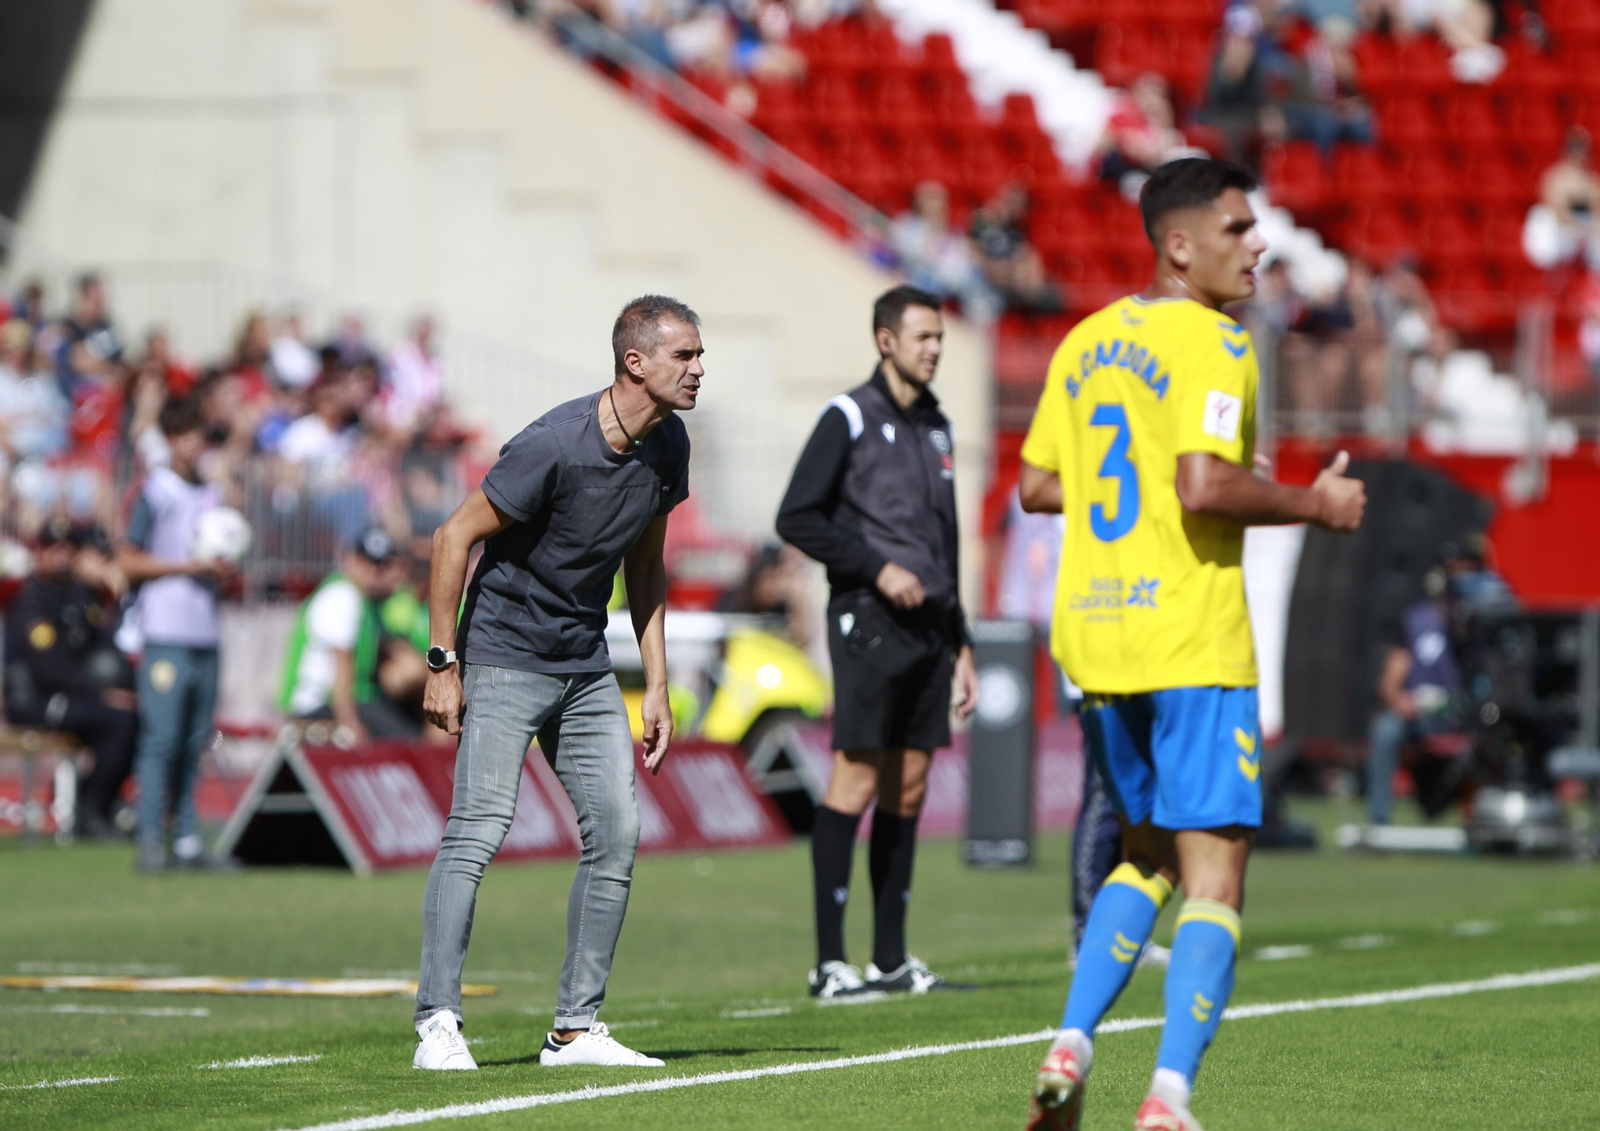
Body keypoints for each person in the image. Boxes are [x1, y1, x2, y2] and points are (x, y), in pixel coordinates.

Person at [1016, 157, 1366, 1130]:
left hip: (1098, 636)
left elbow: (1037, 487)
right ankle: (1168, 1096)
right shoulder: (1215, 341)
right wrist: (1315, 503)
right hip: (1188, 636)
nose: (1258, 244)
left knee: (1145, 854)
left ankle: (1071, 1041)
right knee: (1215, 874)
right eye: (1237, 228)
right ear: (1179, 245)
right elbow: (1204, 486)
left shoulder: (1086, 342)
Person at [411, 295, 698, 1072]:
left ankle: (574, 1029)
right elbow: (452, 536)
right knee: (477, 829)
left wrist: (657, 684)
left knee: (619, 830)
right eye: (684, 355)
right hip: (503, 653)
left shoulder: (669, 444)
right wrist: (442, 662)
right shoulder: (553, 444)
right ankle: (437, 1022)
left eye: (698, 355)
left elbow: (646, 564)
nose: (698, 369)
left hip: (584, 663)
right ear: (635, 361)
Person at [775, 284, 980, 1000]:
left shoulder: (938, 426)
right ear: (886, 341)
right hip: (868, 619)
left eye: (940, 337)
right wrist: (876, 567)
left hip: (931, 628)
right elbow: (797, 516)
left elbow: (946, 543)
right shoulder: (849, 415)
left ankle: (890, 959)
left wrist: (961, 639)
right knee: (856, 779)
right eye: (923, 336)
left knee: (910, 785)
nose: (935, 349)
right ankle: (830, 965)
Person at [117, 397, 234, 872]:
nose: (192, 445)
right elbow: (127, 560)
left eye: (197, 436)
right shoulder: (155, 490)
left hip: (205, 630)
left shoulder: (210, 493)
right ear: (168, 440)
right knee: (161, 739)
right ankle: (149, 837)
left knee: (195, 741)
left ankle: (185, 838)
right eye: (183, 436)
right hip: (164, 630)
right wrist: (190, 566)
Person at [1, 517, 138, 840]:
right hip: (34, 700)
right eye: (53, 548)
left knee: (135, 718)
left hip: (76, 697)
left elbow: (105, 645)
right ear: (40, 552)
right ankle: (91, 811)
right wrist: (101, 694)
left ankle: (96, 801)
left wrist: (108, 594)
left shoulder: (79, 596)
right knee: (118, 721)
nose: (61, 556)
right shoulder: (30, 598)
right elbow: (48, 667)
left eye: (68, 549)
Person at [278, 527, 418, 740]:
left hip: (345, 701)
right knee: (407, 740)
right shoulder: (342, 597)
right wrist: (350, 724)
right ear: (352, 560)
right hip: (317, 705)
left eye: (382, 565)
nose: (374, 572)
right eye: (368, 562)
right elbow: (341, 670)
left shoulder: (366, 602)